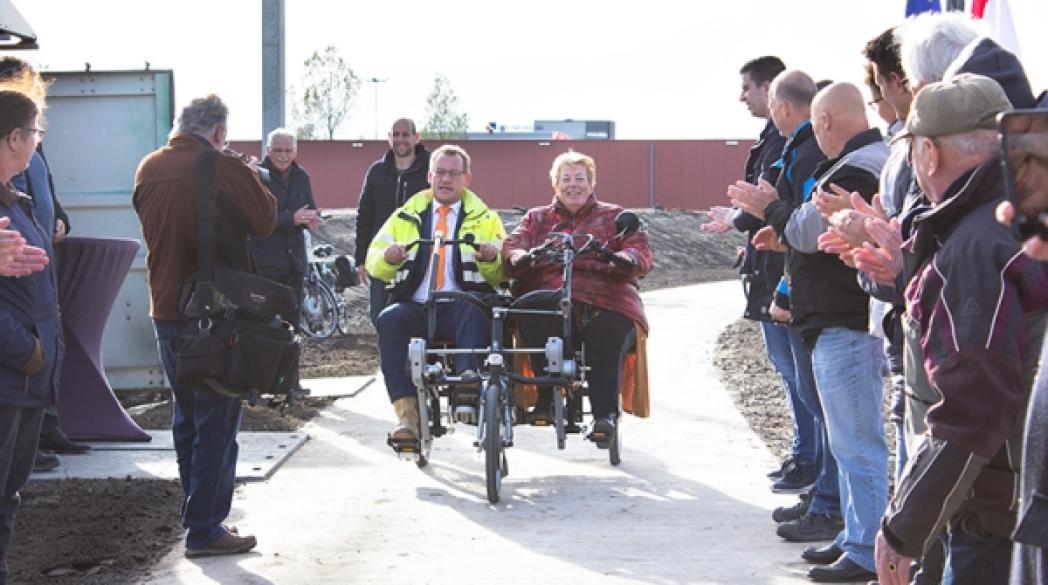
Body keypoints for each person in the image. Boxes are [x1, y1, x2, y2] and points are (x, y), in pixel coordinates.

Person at [874, 74, 1048, 585]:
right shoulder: (1012, 222)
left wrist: (905, 527)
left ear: (927, 152)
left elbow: (973, 405)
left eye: (910, 151)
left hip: (996, 514)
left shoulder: (975, 244)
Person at [133, 95, 276, 558]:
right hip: (214, 316)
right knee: (217, 419)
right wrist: (245, 170)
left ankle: (196, 517)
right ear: (217, 132)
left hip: (166, 312)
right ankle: (205, 528)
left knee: (186, 419)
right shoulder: (222, 165)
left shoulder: (148, 167)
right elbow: (266, 219)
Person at [729, 70, 846, 547]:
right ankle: (824, 494)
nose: (742, 98)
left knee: (831, 413)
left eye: (749, 90)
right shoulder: (799, 147)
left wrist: (782, 282)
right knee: (818, 404)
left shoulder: (808, 151)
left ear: (781, 104)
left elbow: (804, 228)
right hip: (799, 289)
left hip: (814, 298)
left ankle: (832, 506)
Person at [707, 56, 818, 493]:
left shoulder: (788, 143)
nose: (742, 97)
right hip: (770, 264)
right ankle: (805, 455)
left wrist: (741, 218)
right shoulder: (777, 138)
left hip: (783, 274)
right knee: (792, 373)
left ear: (772, 91)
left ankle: (809, 461)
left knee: (798, 375)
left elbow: (771, 201)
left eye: (748, 89)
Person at [504, 150, 653, 437]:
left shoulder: (616, 216)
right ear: (555, 184)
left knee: (608, 332)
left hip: (606, 298)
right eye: (566, 178)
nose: (573, 184)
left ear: (592, 182)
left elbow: (640, 250)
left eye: (580, 178)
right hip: (549, 296)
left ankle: (604, 416)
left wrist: (626, 258)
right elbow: (513, 246)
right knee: (532, 310)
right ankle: (546, 398)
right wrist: (521, 256)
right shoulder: (536, 219)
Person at [365, 145, 505, 444]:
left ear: (467, 178)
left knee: (473, 307)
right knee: (388, 319)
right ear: (429, 176)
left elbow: (502, 273)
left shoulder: (487, 219)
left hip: (461, 306)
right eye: (440, 172)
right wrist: (388, 259)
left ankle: (467, 386)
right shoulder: (404, 216)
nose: (446, 179)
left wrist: (491, 258)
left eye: (454, 173)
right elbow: (373, 261)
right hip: (415, 305)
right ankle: (406, 416)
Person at [0, 57, 85, 470]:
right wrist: (25, 347)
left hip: (29, 325)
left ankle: (44, 428)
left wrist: (56, 217)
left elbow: (45, 185)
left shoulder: (27, 158)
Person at [0, 90, 60, 585]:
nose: (38, 143)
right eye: (36, 133)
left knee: (10, 493)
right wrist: (25, 350)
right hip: (11, 372)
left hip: (25, 377)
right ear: (15, 137)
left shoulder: (14, 200)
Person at [249, 127, 322, 394]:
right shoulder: (257, 176)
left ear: (295, 151)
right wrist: (291, 219)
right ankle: (259, 383)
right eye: (277, 150)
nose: (282, 156)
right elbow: (255, 219)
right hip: (265, 264)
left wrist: (311, 217)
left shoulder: (302, 176)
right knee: (261, 327)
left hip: (294, 263)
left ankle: (289, 383)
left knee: (292, 328)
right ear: (268, 150)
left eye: (288, 151)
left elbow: (308, 207)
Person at [355, 118, 431, 326]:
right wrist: (361, 258)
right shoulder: (376, 171)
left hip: (421, 256)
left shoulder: (432, 170)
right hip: (383, 257)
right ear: (389, 138)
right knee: (379, 315)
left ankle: (416, 357)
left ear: (416, 137)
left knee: (418, 315)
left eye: (405, 134)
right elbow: (365, 215)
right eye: (395, 135)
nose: (400, 139)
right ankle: (391, 357)